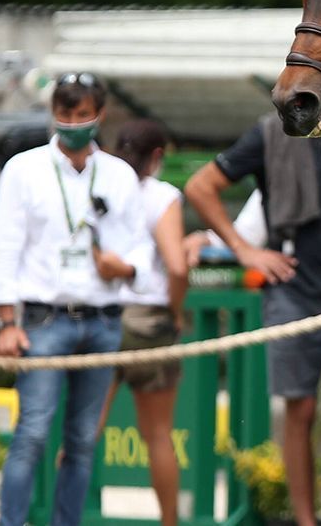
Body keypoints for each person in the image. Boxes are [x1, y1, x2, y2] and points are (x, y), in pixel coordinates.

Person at [184, 111, 321, 526]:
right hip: (293, 289)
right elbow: (200, 187)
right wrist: (245, 251)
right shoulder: (270, 131)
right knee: (301, 407)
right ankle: (305, 520)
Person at [0, 73, 146, 526]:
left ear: (100, 114)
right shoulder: (24, 168)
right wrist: (6, 323)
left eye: (81, 114)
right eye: (64, 114)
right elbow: (3, 248)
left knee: (82, 440)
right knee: (32, 433)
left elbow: (141, 249)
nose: (72, 122)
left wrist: (127, 268)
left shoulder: (118, 174)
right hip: (42, 320)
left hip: (102, 318)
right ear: (53, 114)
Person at [97, 119, 189, 526]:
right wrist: (175, 311)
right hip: (148, 322)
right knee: (158, 436)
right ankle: (169, 523)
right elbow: (177, 266)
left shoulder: (98, 188)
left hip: (99, 314)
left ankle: (61, 516)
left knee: (85, 433)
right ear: (157, 157)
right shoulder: (162, 196)